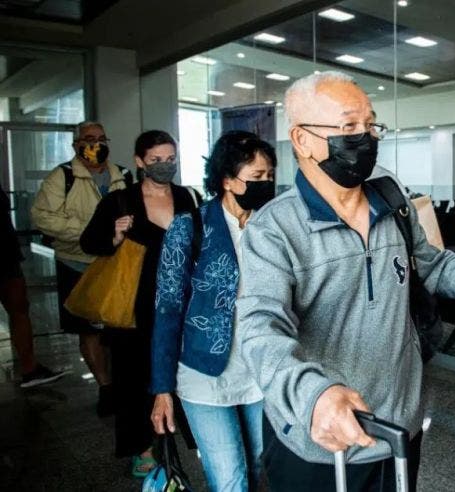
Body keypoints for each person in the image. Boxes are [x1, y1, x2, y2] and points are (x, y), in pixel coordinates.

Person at [237, 71, 455, 492]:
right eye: (348, 127)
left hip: (400, 428)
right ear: (302, 140)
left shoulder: (391, 198)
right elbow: (259, 329)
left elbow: (434, 271)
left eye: (370, 124)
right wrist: (314, 396)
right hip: (322, 441)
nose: (364, 138)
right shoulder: (275, 229)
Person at [150, 131, 276, 492]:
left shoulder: (273, 228)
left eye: (269, 177)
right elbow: (167, 310)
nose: (265, 185)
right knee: (229, 476)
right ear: (226, 180)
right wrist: (162, 389)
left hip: (259, 371)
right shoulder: (189, 227)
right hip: (204, 373)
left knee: (257, 464)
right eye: (256, 178)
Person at [81, 130, 201, 478]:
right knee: (134, 376)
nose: (165, 166)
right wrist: (116, 235)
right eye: (156, 161)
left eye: (170, 159)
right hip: (135, 305)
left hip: (181, 299)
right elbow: (89, 242)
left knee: (182, 370)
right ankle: (143, 447)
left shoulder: (187, 197)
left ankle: (191, 436)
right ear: (139, 162)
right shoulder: (121, 201)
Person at [31, 121, 132, 414]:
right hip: (76, 262)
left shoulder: (121, 174)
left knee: (118, 325)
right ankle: (105, 387)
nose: (95, 144)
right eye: (89, 139)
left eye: (101, 139)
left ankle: (122, 383)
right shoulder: (62, 176)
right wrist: (90, 232)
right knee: (89, 330)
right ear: (76, 144)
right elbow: (43, 216)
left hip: (114, 263)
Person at [2, 183, 68, 387]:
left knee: (19, 307)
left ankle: (30, 369)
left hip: (6, 254)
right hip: (7, 255)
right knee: (18, 307)